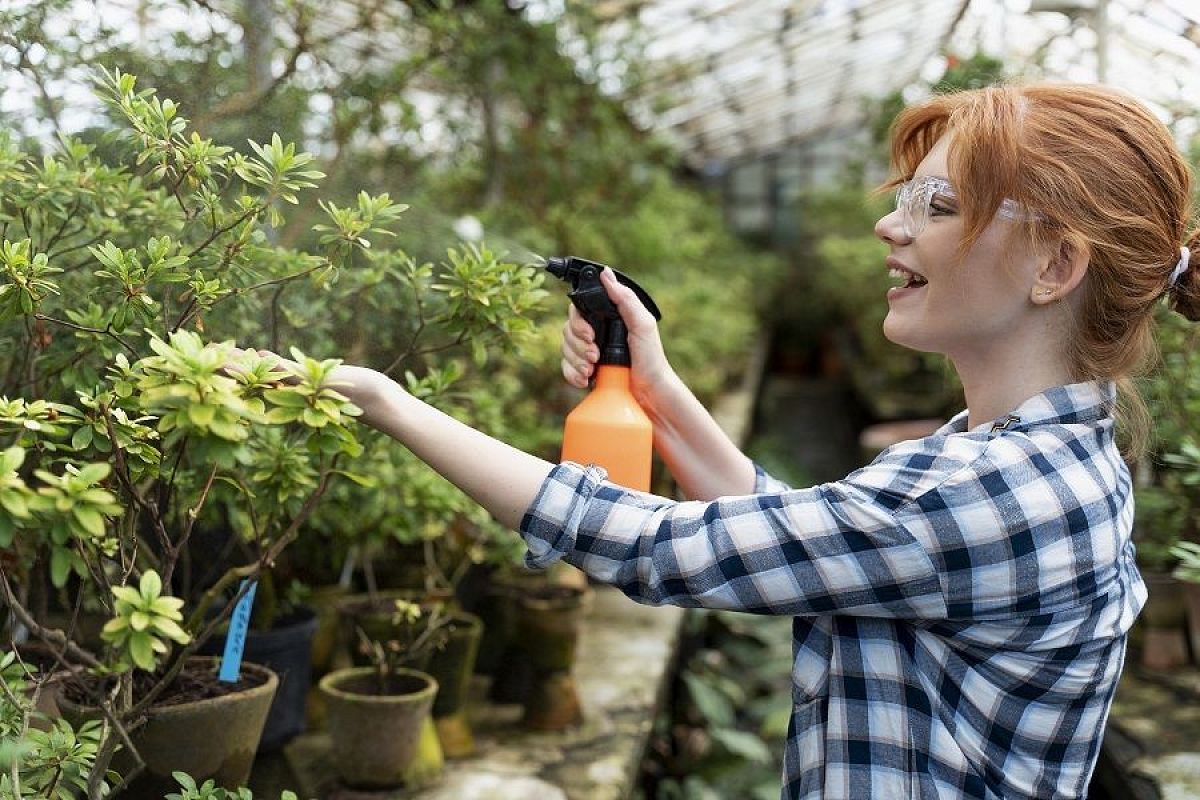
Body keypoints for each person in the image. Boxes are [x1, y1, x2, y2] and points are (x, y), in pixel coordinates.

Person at [249, 82, 1199, 799]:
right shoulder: (1022, 458)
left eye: (936, 207)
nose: (887, 224)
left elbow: (659, 548)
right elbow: (805, 536)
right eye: (904, 197)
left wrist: (384, 401)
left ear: (1056, 264)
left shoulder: (991, 495)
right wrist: (658, 390)